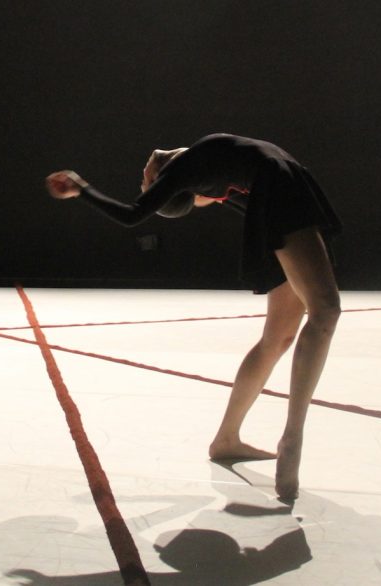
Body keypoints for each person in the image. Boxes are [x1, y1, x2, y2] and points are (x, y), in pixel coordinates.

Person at [46, 133, 342, 501]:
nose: (143, 182)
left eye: (144, 183)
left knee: (281, 337)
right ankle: (291, 437)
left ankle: (226, 440)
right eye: (147, 185)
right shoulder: (186, 168)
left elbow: (190, 191)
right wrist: (82, 188)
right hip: (283, 190)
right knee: (324, 311)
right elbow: (132, 214)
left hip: (283, 191)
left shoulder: (201, 166)